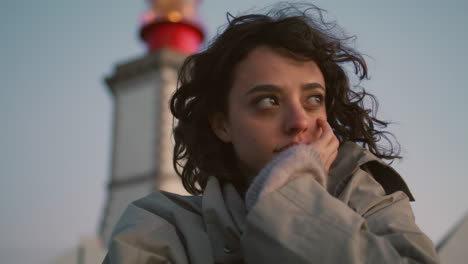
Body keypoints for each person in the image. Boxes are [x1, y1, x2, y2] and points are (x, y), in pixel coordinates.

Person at [103, 3, 439, 263]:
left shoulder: (374, 202)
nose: (299, 121)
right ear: (222, 124)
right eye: (268, 101)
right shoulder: (159, 225)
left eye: (313, 99)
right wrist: (294, 187)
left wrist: (292, 196)